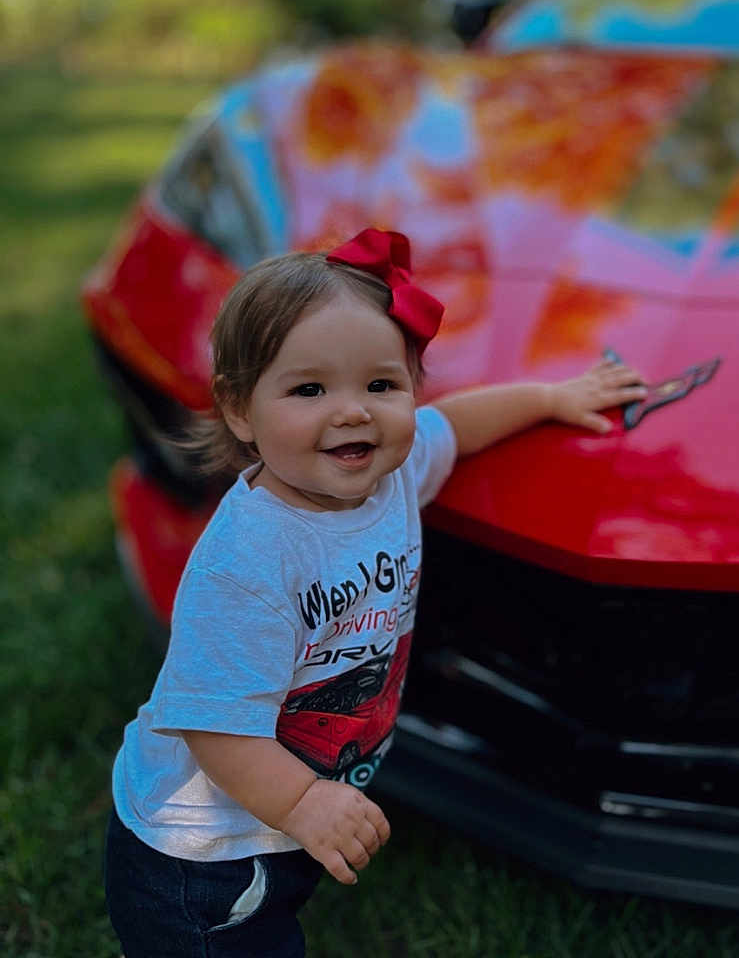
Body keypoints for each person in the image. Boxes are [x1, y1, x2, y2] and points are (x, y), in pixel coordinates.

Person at [104, 227, 647, 957]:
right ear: (240, 410)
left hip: (286, 815)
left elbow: (452, 425)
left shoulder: (389, 475)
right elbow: (216, 729)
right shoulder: (248, 565)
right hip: (200, 852)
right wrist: (304, 801)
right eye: (309, 389)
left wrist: (552, 397)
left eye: (381, 384)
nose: (354, 410)